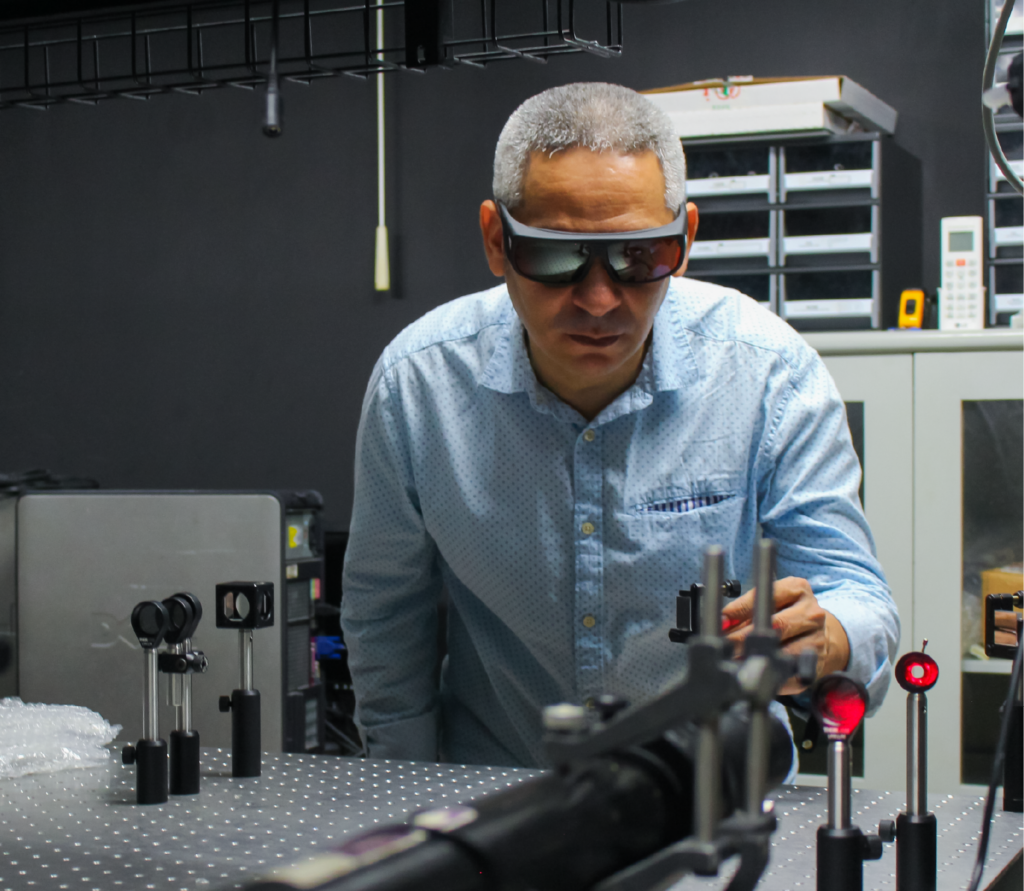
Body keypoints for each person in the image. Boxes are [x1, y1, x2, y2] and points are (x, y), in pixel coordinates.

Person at [341, 82, 899, 767]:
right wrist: (407, 806)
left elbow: (856, 590)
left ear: (685, 240)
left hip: (711, 794)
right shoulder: (419, 388)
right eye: (556, 256)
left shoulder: (768, 373)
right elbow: (385, 622)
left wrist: (829, 640)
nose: (600, 300)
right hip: (501, 796)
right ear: (497, 240)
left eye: (639, 258)